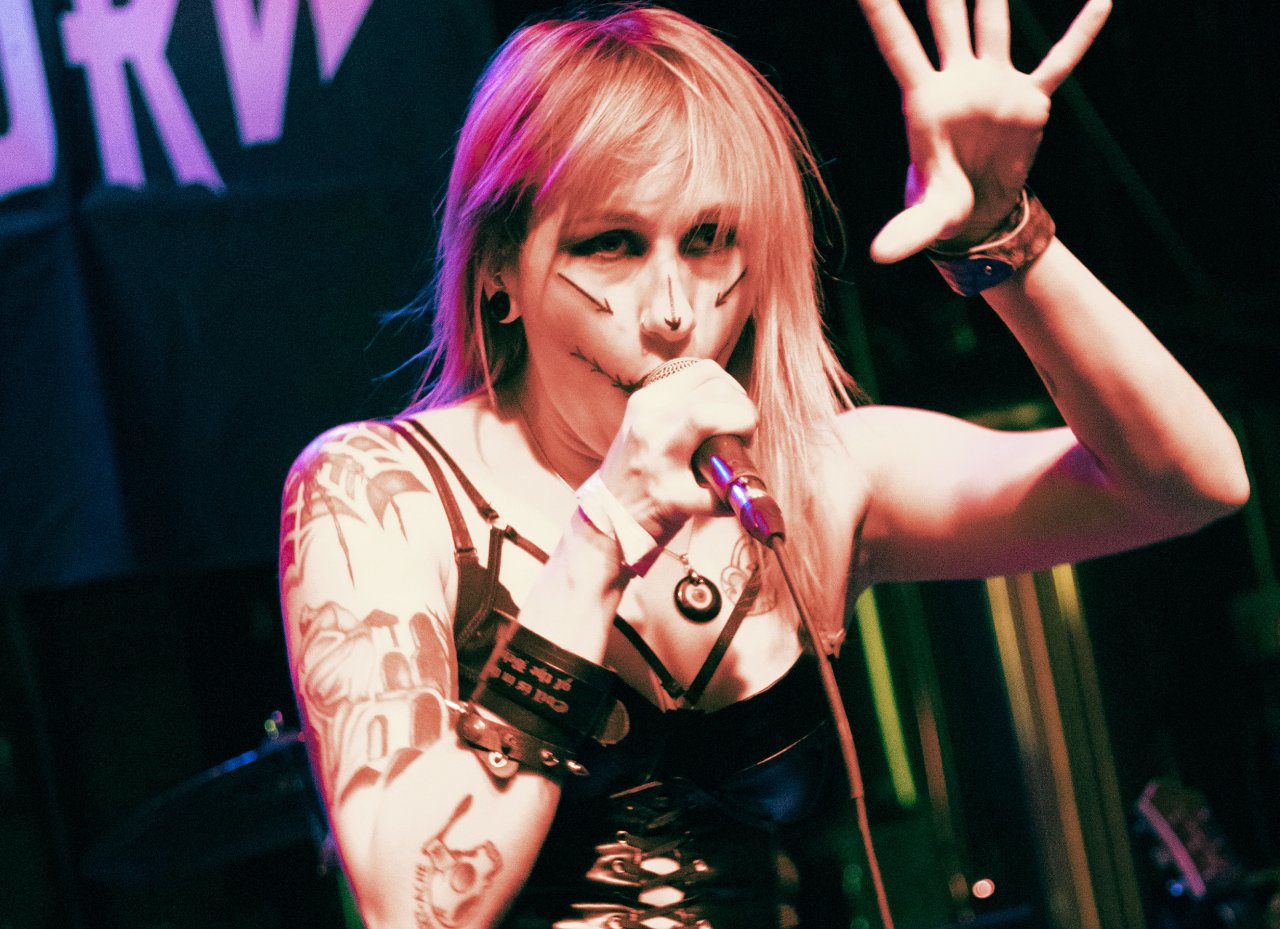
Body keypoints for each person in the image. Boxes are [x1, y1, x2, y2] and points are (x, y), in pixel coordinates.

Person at [277, 2, 1249, 927]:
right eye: (611, 245)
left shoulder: (811, 477)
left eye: (709, 242)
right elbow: (414, 905)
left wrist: (1003, 233)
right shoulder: (378, 493)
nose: (671, 309)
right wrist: (601, 532)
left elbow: (1187, 484)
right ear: (499, 270)